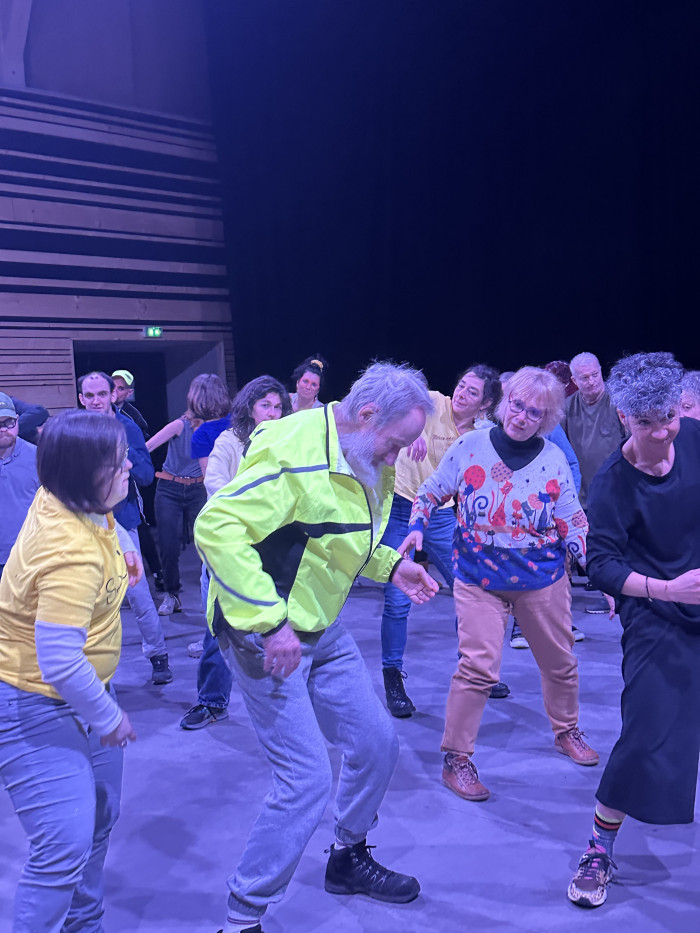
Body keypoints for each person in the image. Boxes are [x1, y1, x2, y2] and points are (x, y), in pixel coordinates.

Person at [195, 362, 439, 933]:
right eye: (396, 443)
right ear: (367, 415)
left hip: (320, 625)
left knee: (376, 742)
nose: (396, 458)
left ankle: (348, 858)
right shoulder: (295, 452)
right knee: (305, 781)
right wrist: (270, 623)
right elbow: (215, 527)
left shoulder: (361, 452)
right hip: (267, 635)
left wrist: (389, 565)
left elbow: (332, 535)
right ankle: (242, 916)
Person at [402, 366, 597, 804]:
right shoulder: (469, 446)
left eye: (535, 412)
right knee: (477, 669)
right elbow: (430, 492)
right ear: (504, 403)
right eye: (517, 405)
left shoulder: (553, 458)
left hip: (541, 579)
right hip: (479, 579)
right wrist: (416, 528)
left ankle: (566, 729)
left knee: (561, 664)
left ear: (547, 419)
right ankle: (456, 758)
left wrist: (599, 567)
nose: (522, 416)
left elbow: (572, 520)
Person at [567, 352, 700, 909]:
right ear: (624, 417)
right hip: (655, 610)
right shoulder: (612, 484)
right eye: (648, 422)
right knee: (646, 729)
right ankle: (599, 848)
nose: (664, 432)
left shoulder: (693, 439)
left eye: (669, 416)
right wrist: (668, 590)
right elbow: (600, 566)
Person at [0, 409, 140, 933]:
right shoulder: (70, 552)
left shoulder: (70, 497)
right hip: (31, 698)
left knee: (100, 815)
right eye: (118, 462)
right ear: (86, 475)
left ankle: (84, 925)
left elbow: (107, 521)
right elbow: (59, 660)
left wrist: (125, 544)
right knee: (63, 842)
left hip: (81, 692)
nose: (129, 467)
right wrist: (108, 717)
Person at [379, 365, 507, 717]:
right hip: (401, 506)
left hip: (440, 514)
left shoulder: (482, 434)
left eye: (472, 392)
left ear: (485, 404)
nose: (462, 393)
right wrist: (410, 433)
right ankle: (393, 677)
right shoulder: (434, 402)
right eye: (461, 385)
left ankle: (475, 667)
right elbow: (394, 404)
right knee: (397, 599)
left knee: (471, 591)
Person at [180, 375, 292, 730]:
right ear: (249, 408)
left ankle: (286, 705)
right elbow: (215, 483)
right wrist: (251, 514)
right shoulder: (230, 440)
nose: (272, 413)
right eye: (265, 405)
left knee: (282, 629)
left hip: (274, 550)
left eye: (278, 407)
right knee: (218, 629)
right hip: (229, 548)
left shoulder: (289, 441)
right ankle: (212, 701)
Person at [78, 372, 172, 685]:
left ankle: (158, 655)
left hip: (122, 522)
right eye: (89, 395)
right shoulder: (76, 431)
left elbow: (145, 475)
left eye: (101, 394)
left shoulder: (127, 428)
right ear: (81, 399)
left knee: (138, 593)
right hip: (84, 524)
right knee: (86, 598)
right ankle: (90, 666)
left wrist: (123, 457)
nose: (96, 401)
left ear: (113, 395)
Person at [564, 352, 626, 614]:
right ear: (574, 381)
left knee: (616, 545)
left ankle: (621, 596)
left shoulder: (618, 401)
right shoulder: (567, 408)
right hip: (581, 493)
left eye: (595, 375)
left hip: (616, 491)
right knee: (591, 547)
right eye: (584, 377)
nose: (591, 381)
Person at [0, 393, 40, 580]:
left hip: (29, 559)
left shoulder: (39, 458)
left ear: (17, 420)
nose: (3, 429)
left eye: (8, 422)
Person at [111, 369, 150, 438]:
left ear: (129, 393)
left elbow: (142, 438)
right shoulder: (98, 408)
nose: (114, 391)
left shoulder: (134, 416)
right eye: (112, 386)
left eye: (120, 388)